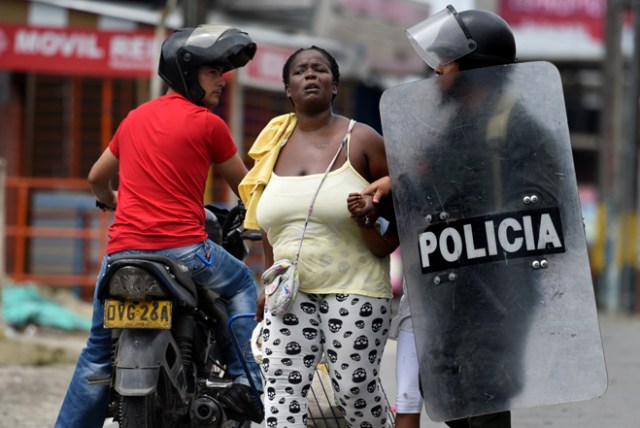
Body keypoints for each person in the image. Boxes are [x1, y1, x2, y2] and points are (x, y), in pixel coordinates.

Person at [354, 6, 563, 428]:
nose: (438, 73)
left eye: (446, 64)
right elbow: (438, 193)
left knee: (484, 390)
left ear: (473, 69)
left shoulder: (516, 126)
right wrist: (396, 186)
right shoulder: (456, 127)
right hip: (448, 289)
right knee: (445, 390)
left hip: (496, 292)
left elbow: (543, 207)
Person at [55, 25, 263, 427]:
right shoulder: (208, 125)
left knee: (97, 353)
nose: (222, 80)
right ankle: (247, 381)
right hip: (185, 251)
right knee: (241, 283)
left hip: (120, 255)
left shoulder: (133, 119)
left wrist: (111, 202)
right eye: (212, 71)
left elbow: (97, 177)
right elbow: (249, 189)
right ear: (186, 72)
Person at [238, 46, 398, 428]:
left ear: (334, 86)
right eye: (300, 71)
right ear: (288, 90)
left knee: (353, 390)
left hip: (355, 289)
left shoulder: (362, 140)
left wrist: (368, 217)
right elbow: (268, 224)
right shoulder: (272, 146)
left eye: (320, 69)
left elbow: (394, 230)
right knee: (281, 390)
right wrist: (268, 278)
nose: (310, 75)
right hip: (290, 291)